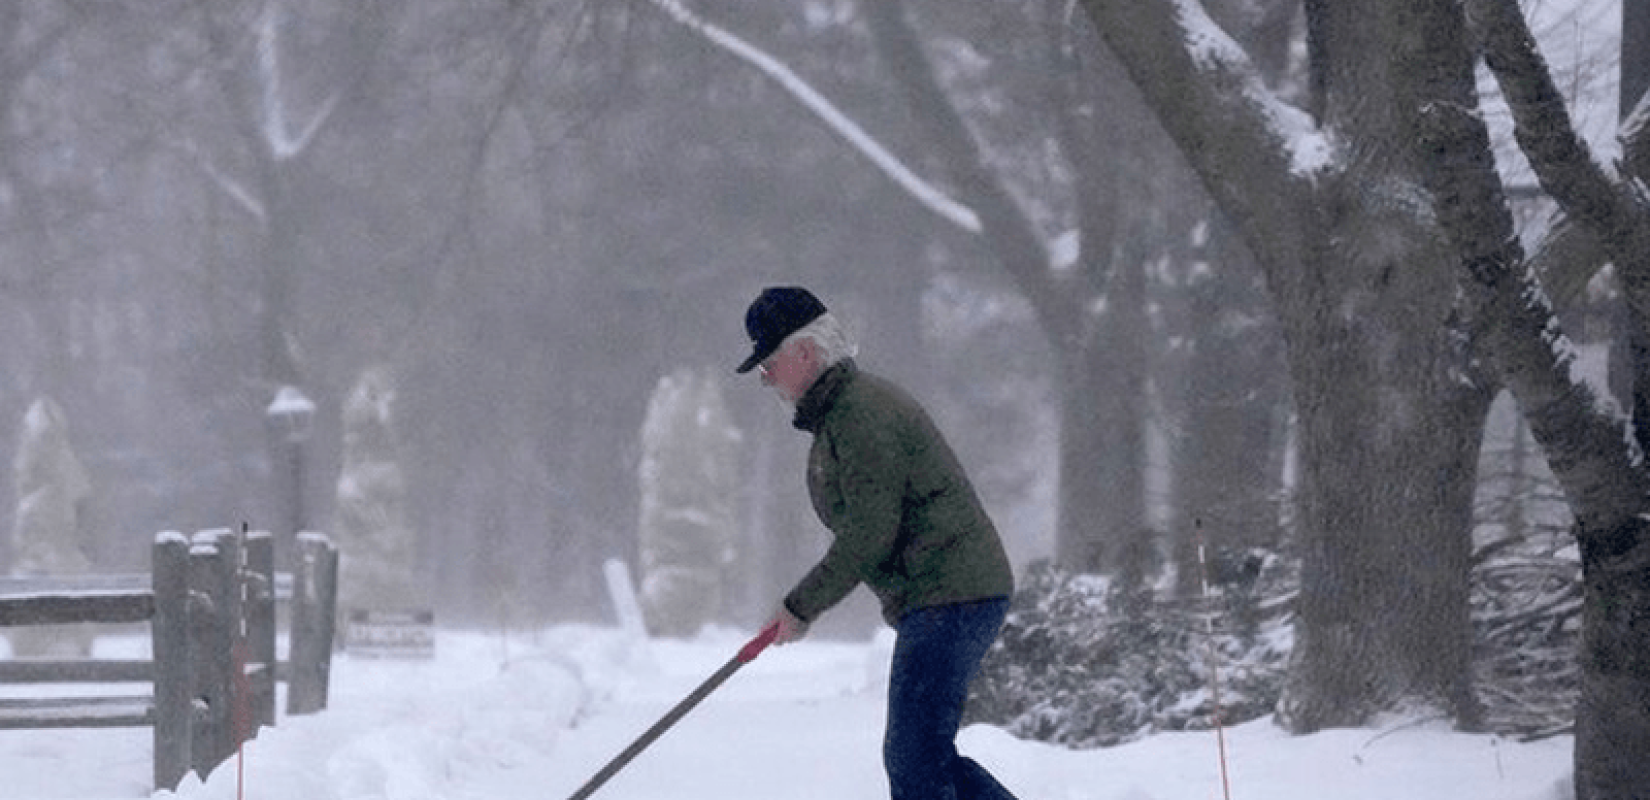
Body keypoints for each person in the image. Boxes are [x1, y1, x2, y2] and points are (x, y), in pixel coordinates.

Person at [735, 285, 1021, 800]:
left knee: (914, 757)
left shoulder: (860, 415)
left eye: (768, 364)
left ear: (804, 351)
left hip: (953, 592)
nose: (766, 379)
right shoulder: (840, 415)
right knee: (923, 755)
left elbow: (869, 533)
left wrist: (801, 606)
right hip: (946, 593)